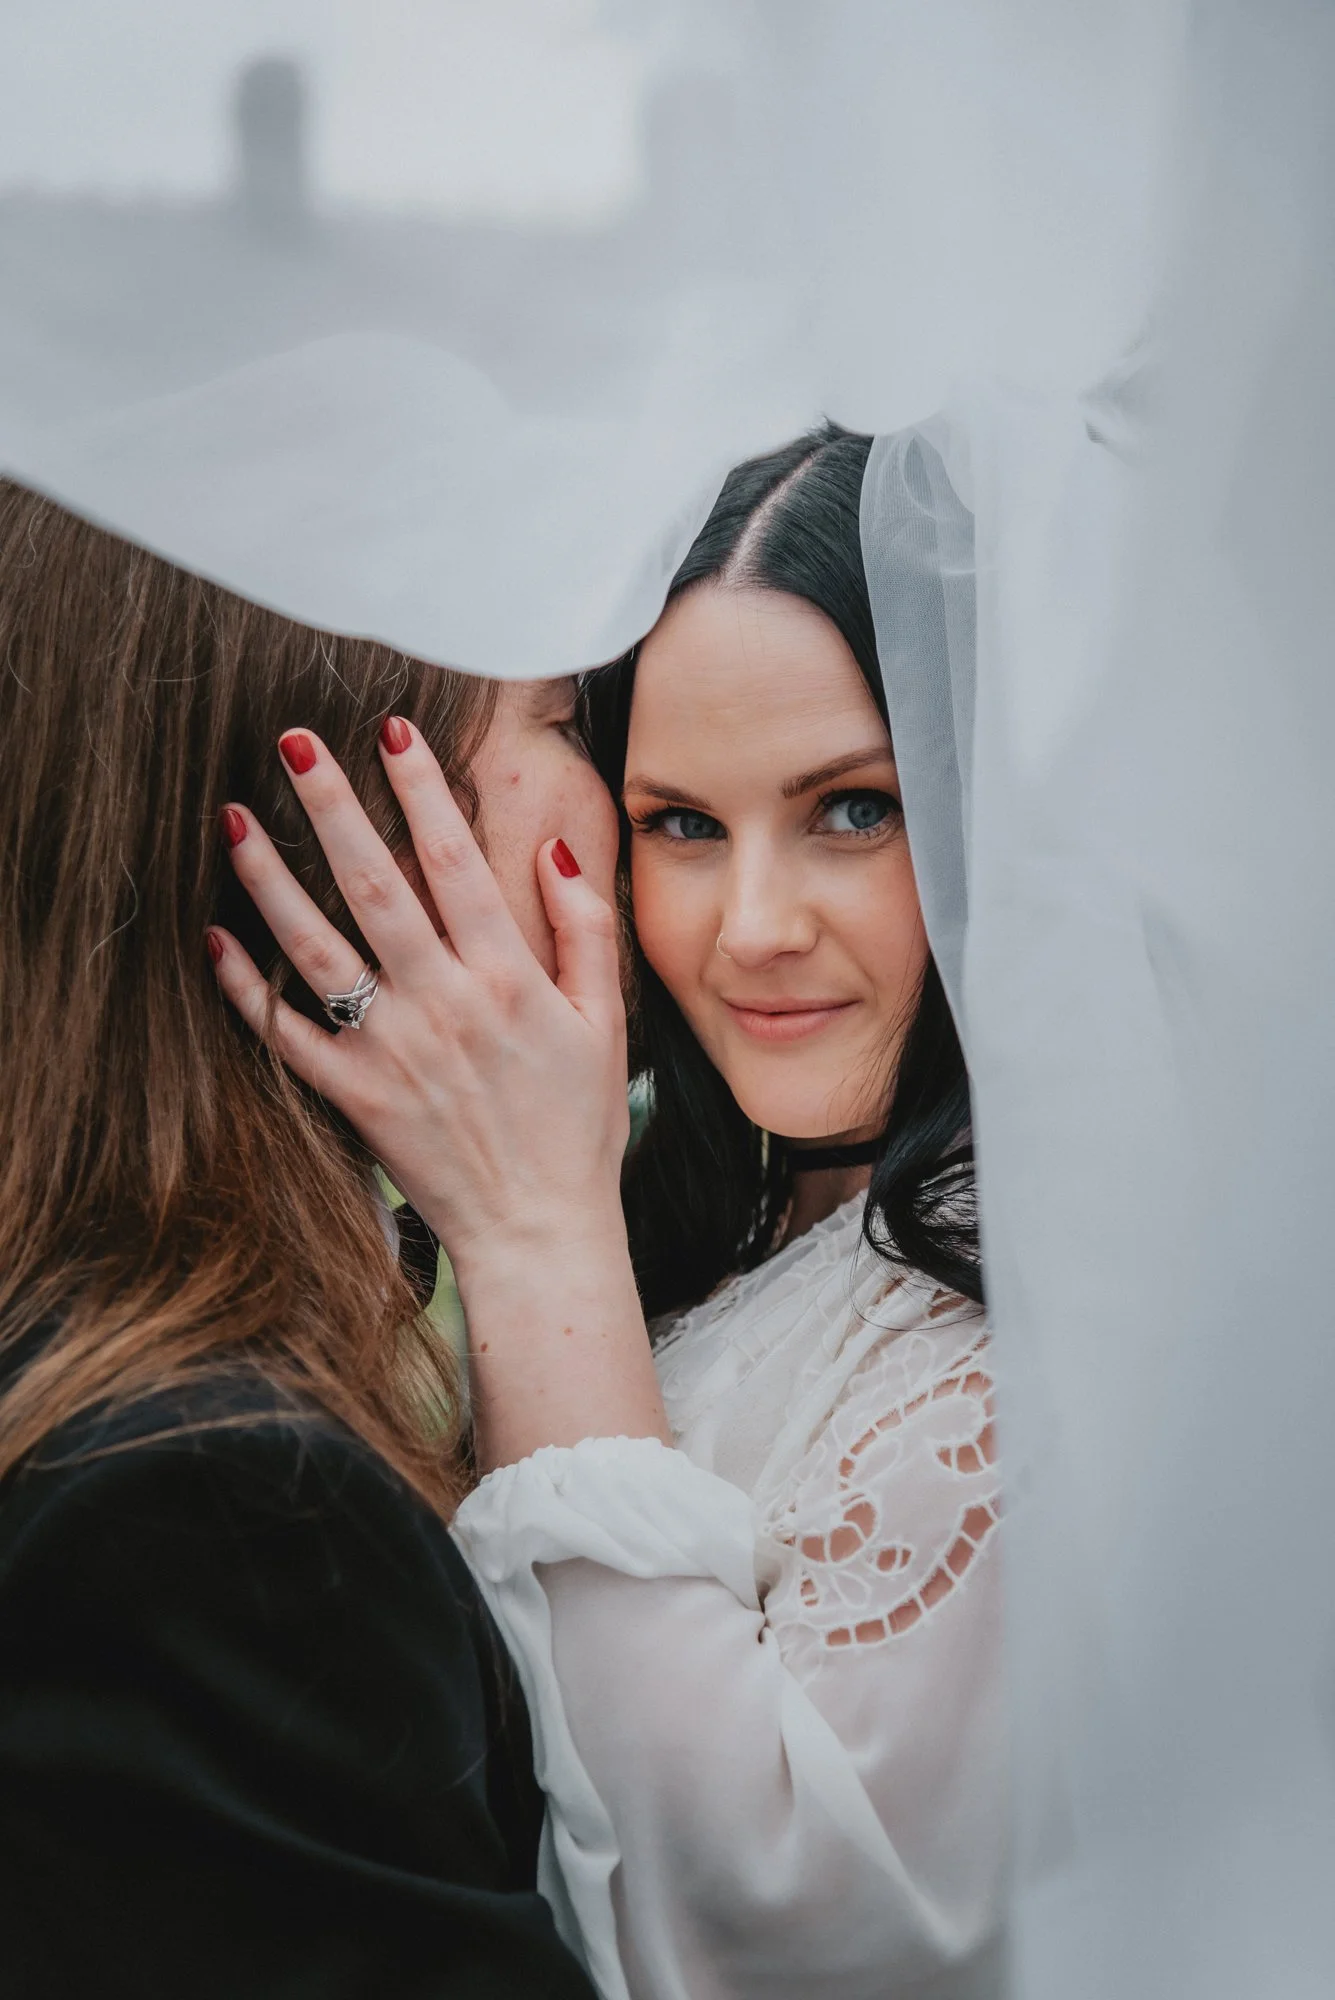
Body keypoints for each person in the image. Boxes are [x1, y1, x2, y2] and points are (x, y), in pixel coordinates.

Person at [212, 423, 1004, 1999]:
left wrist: (532, 1236)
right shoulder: (714, 1226)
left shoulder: (1023, 1338)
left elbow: (765, 1948)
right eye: (681, 826)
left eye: (851, 809)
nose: (753, 928)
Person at [0, 476, 607, 2000]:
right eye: (563, 717)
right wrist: (538, 1218)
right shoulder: (216, 1503)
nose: (619, 784)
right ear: (336, 809)